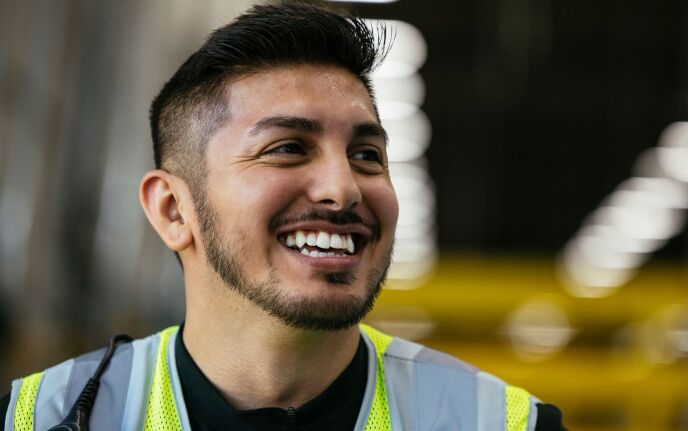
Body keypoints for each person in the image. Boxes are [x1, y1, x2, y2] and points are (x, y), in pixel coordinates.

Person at [2, 2, 565, 430]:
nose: (344, 189)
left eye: (366, 155)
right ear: (174, 210)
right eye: (288, 148)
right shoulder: (40, 418)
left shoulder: (501, 422)